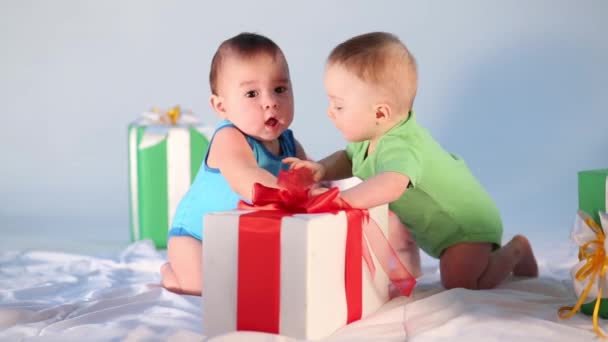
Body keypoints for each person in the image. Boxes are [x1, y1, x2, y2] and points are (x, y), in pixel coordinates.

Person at [284, 32, 538, 290]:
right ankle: (420, 261)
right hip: (438, 226)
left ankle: (515, 250)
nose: (329, 112)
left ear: (380, 113)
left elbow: (391, 184)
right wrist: (322, 169)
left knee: (462, 283)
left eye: (338, 106)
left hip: (465, 225)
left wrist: (342, 201)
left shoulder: (400, 146)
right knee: (410, 237)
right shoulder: (371, 135)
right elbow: (348, 158)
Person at [160, 32, 308, 295]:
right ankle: (169, 272)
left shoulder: (289, 144)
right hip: (197, 238)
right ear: (221, 106)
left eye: (280, 89)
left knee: (251, 285)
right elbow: (246, 180)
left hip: (238, 239)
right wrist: (295, 193)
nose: (270, 102)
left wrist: (324, 185)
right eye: (252, 93)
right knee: (199, 288)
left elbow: (310, 176)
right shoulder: (229, 138)